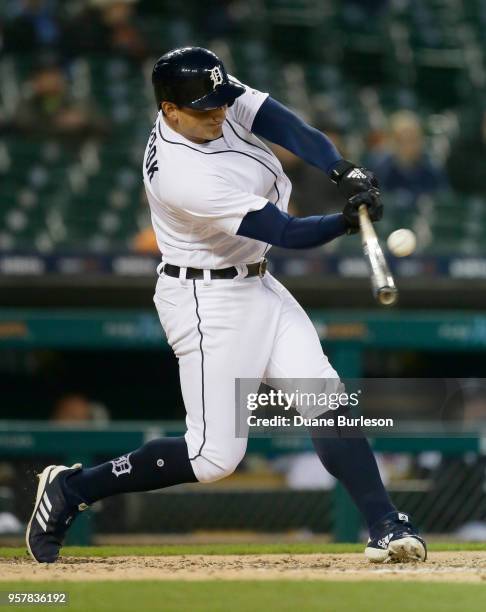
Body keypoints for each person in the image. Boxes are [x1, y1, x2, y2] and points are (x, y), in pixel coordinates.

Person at [26, 47, 426, 564]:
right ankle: (72, 490)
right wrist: (344, 222)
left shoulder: (204, 93)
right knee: (212, 457)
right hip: (206, 298)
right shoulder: (181, 173)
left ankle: (385, 525)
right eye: (205, 109)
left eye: (220, 101)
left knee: (326, 401)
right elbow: (281, 231)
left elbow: (280, 121)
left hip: (257, 282)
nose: (219, 112)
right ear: (169, 111)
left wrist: (340, 169)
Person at [370, 110, 448, 209]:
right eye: (402, 140)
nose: (409, 146)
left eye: (413, 140)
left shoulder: (433, 169)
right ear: (392, 142)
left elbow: (443, 202)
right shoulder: (380, 170)